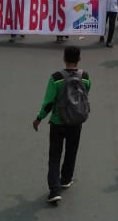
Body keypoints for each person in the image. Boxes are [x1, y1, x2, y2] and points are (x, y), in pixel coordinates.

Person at [33, 45, 91, 205]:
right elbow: (85, 95)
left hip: (58, 123)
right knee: (71, 151)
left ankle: (54, 190)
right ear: (79, 59)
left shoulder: (56, 77)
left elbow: (48, 102)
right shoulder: (85, 77)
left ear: (64, 58)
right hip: (76, 122)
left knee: (54, 156)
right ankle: (66, 179)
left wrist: (39, 118)